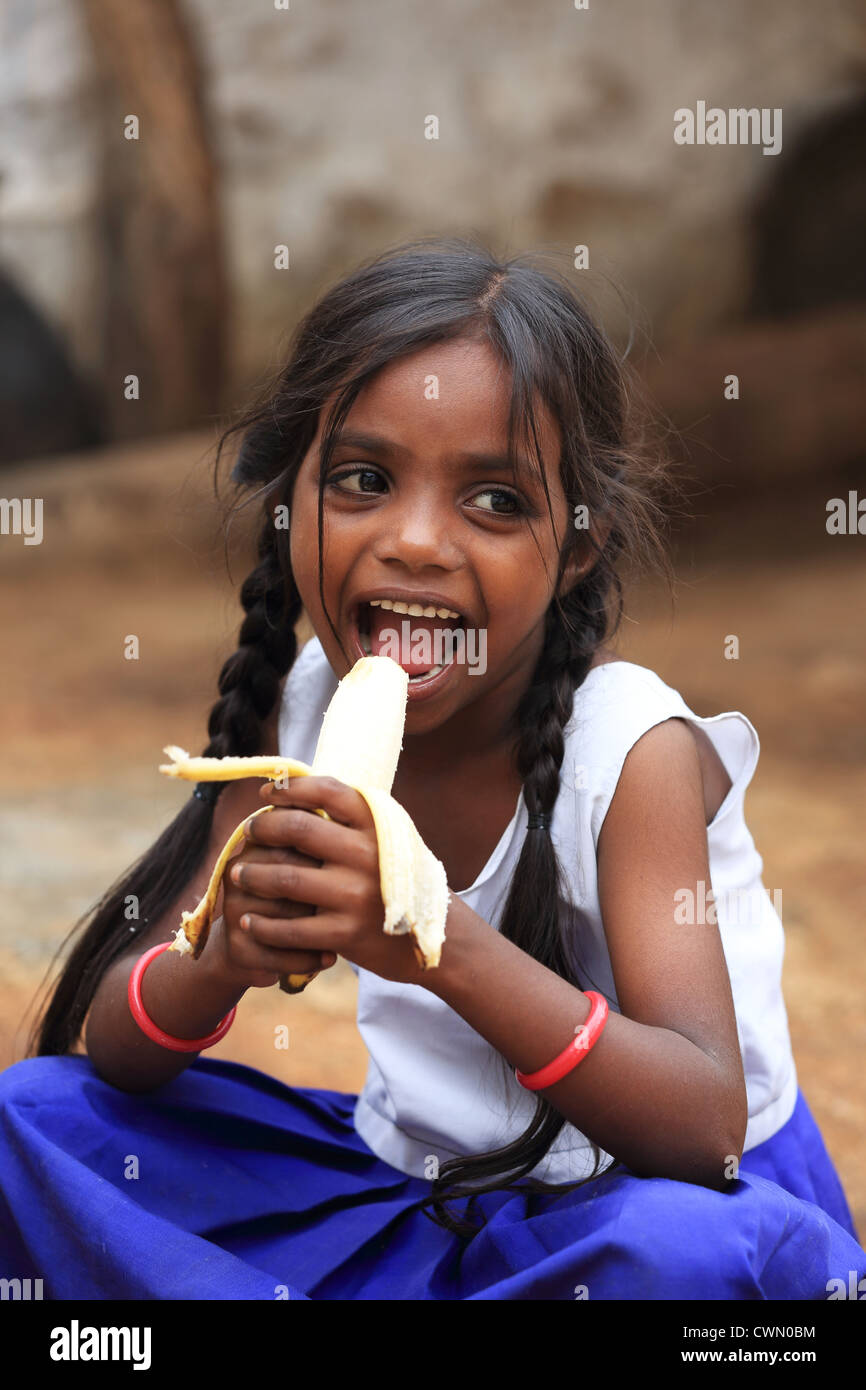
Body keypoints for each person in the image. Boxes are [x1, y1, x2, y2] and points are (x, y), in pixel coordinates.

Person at [1, 238, 863, 1300]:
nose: (414, 540)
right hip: (416, 1193)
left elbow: (702, 1129)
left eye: (495, 500)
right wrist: (220, 953)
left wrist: (432, 938)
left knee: (677, 1264)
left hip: (644, 1209)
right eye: (362, 480)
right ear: (292, 501)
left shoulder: (627, 751)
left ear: (577, 544)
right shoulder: (306, 699)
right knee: (39, 1119)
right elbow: (120, 1047)